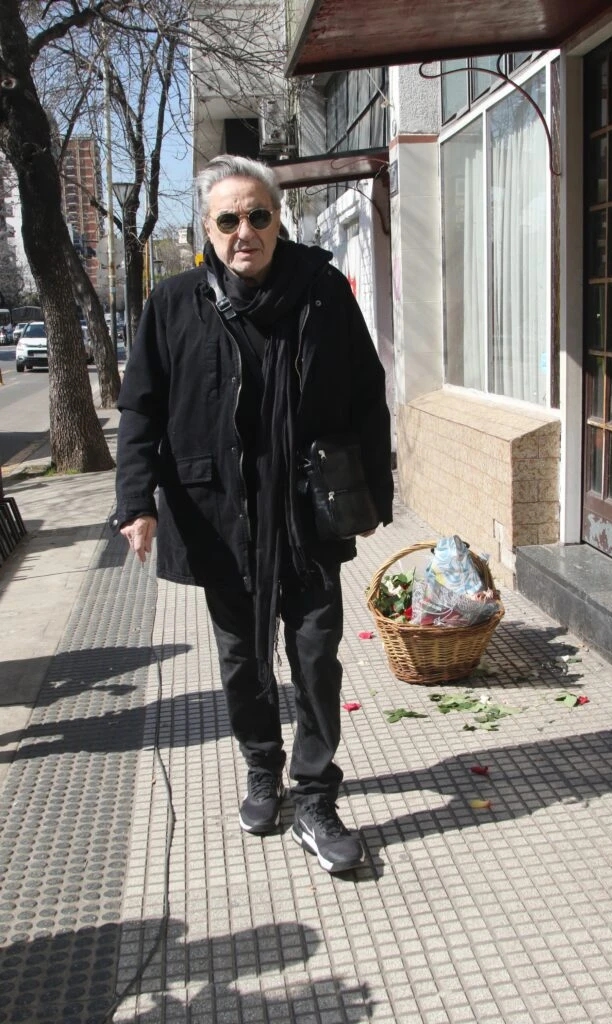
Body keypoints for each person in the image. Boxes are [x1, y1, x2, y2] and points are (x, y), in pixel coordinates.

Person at [112, 154, 393, 874]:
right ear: (207, 229)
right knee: (242, 663)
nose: (246, 231)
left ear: (278, 220)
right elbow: (140, 408)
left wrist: (371, 496)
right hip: (219, 517)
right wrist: (135, 502)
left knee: (314, 659)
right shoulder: (173, 302)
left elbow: (366, 393)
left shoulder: (322, 291)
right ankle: (261, 768)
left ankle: (316, 792)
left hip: (305, 515)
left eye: (258, 216)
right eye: (229, 219)